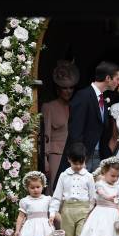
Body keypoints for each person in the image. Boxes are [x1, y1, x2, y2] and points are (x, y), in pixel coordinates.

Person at [56, 61, 119, 183]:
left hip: (99, 156)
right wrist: (79, 160)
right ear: (108, 78)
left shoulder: (104, 100)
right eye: (117, 78)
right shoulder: (83, 96)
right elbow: (75, 131)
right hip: (83, 157)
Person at [49, 142, 95, 236]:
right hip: (67, 211)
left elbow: (92, 198)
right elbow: (57, 196)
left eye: (81, 163)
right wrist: (52, 212)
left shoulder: (88, 176)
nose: (78, 166)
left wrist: (90, 212)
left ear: (85, 160)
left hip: (83, 211)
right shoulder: (64, 176)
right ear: (69, 159)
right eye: (75, 163)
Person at [42, 60, 79, 193]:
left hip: (73, 155)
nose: (68, 91)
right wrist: (45, 161)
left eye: (71, 88)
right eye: (64, 88)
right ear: (58, 89)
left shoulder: (76, 106)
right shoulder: (49, 107)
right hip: (55, 155)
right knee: (55, 188)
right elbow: (46, 134)